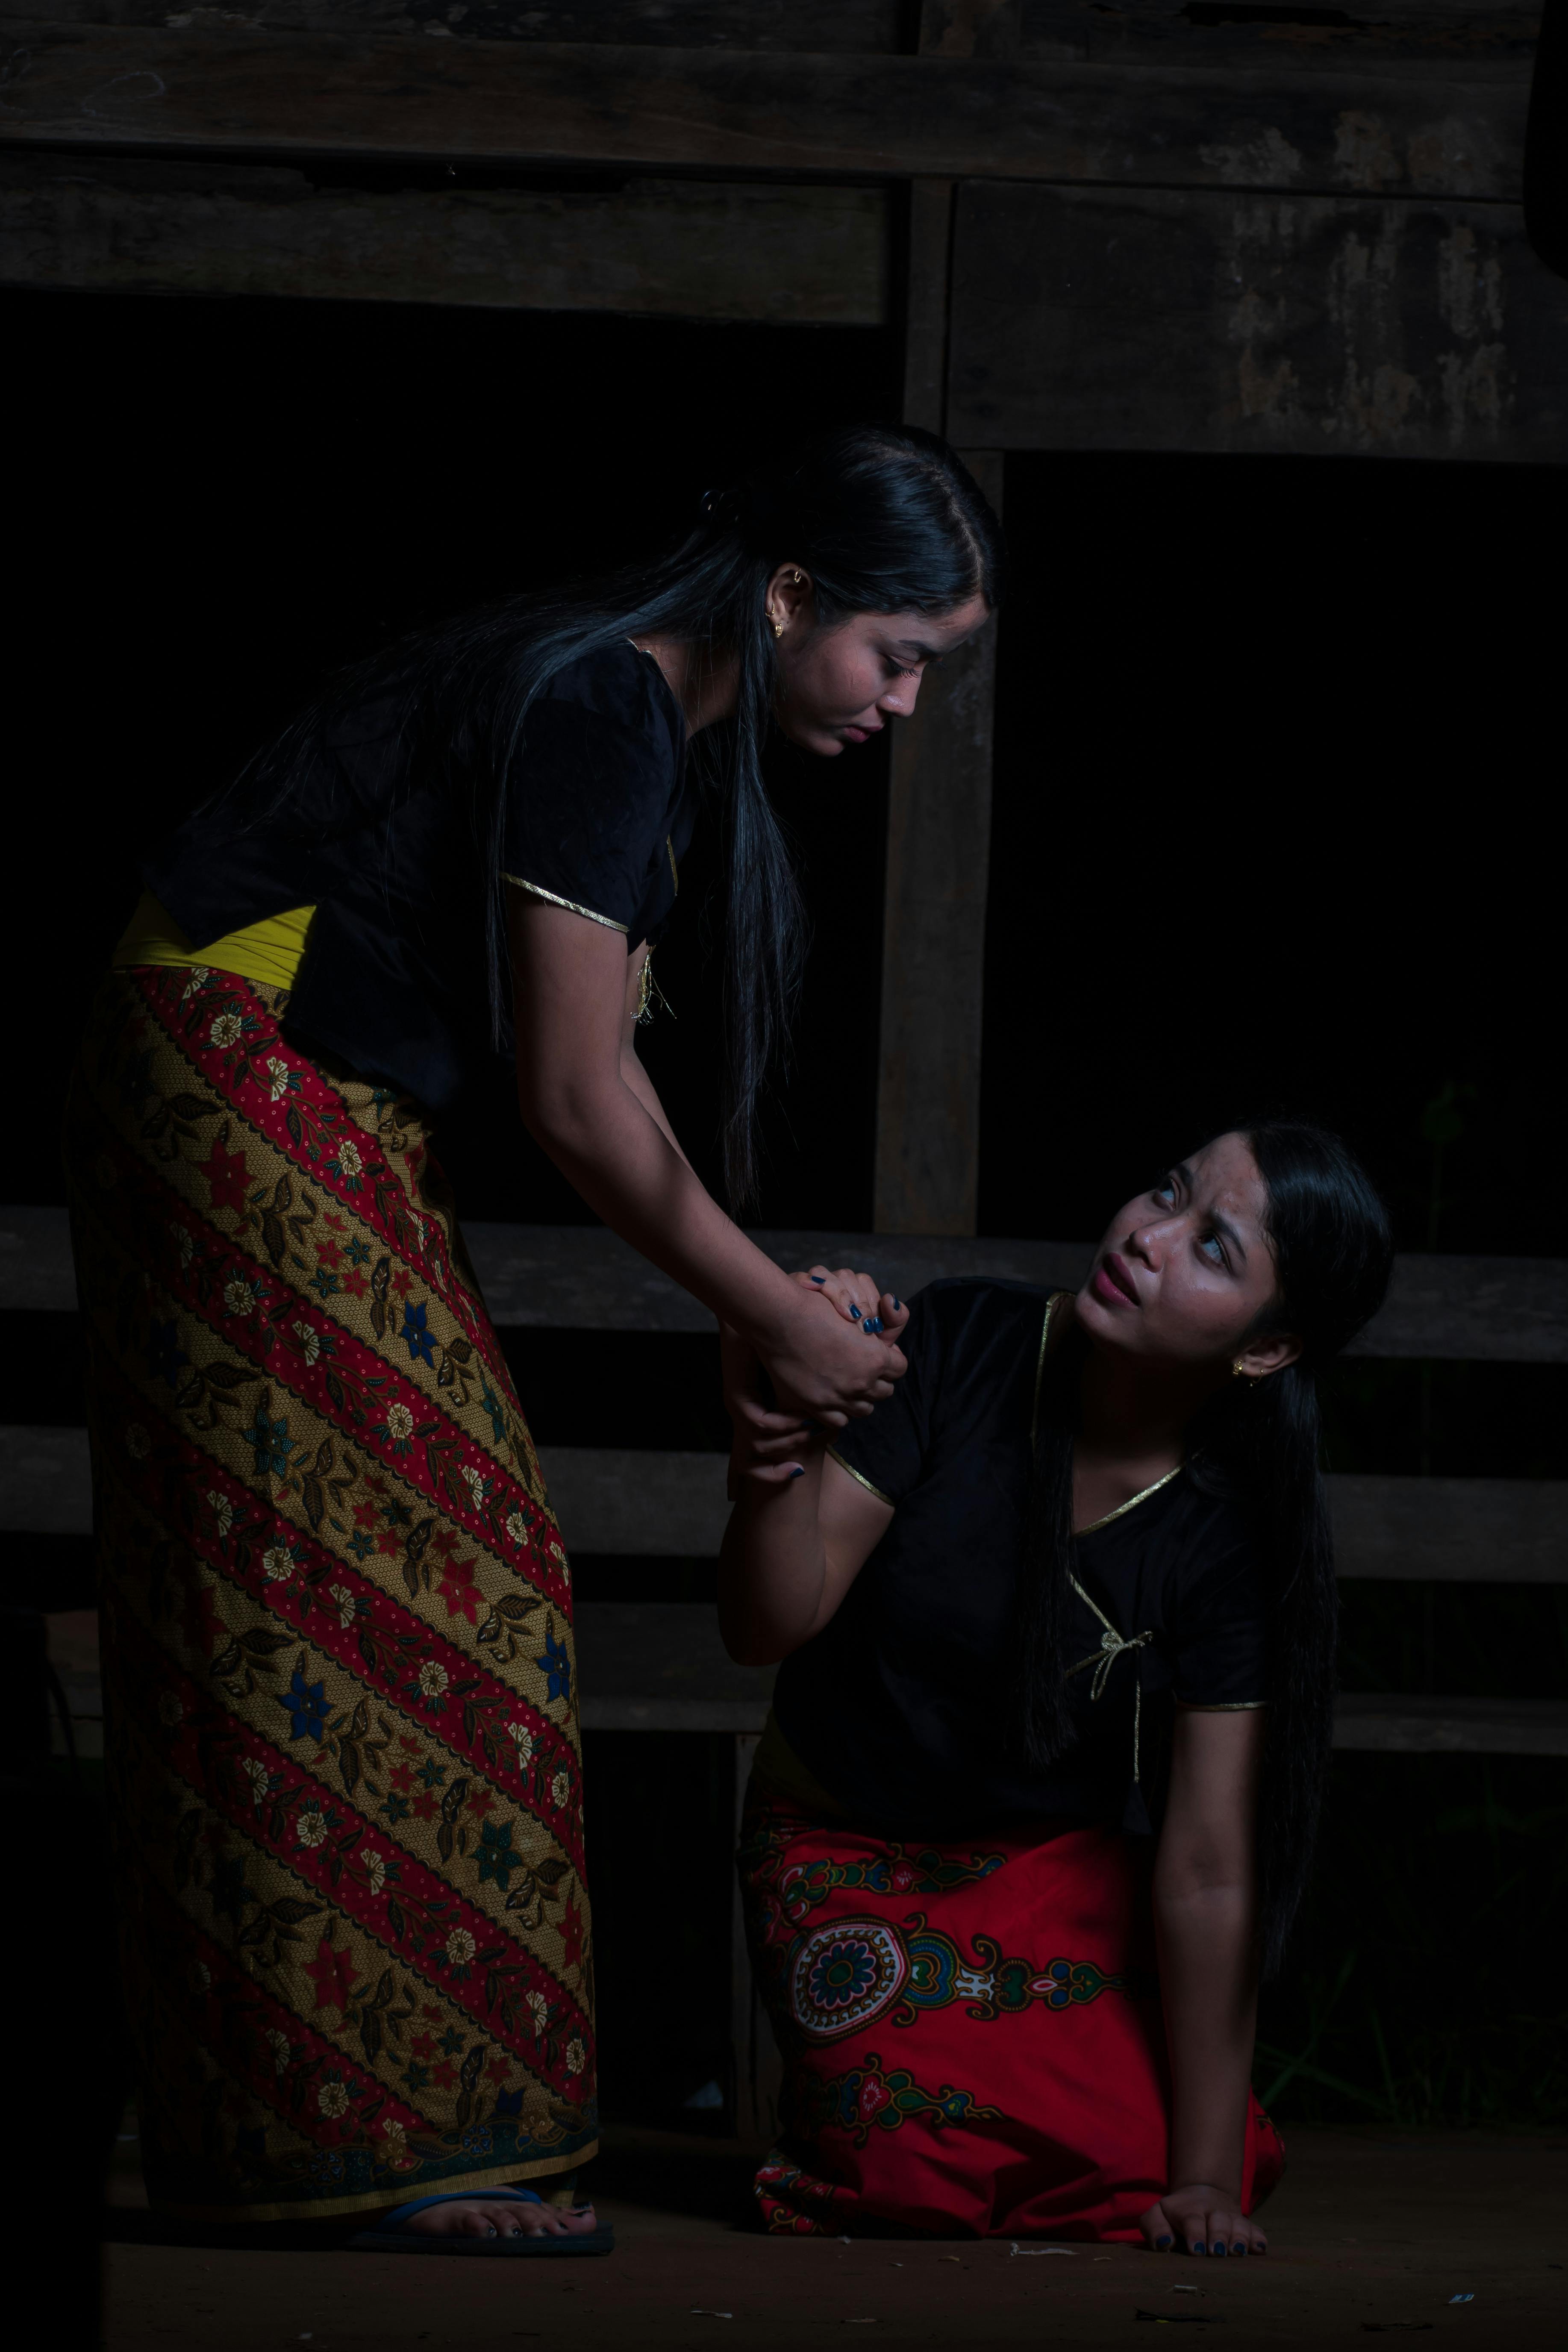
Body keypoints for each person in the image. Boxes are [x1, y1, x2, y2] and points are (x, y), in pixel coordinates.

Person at [64, 425, 1000, 2250]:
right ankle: (384, 2141)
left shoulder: (625, 705)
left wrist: (755, 1307)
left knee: (398, 1558)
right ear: (793, 595)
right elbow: (578, 1099)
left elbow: (609, 1083)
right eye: (899, 653)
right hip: (234, 1067)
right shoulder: (604, 701)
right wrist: (766, 1315)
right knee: (431, 1559)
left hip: (272, 1087)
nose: (902, 699)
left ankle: (324, 2127)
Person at [718, 1122, 1393, 2247]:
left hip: (1045, 1878)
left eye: (1212, 1247)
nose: (1148, 1235)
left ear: (1266, 1352)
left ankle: (1074, 2109)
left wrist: (1205, 2187)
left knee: (1182, 2151)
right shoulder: (965, 1342)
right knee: (908, 2161)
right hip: (841, 1842)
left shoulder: (1225, 1534)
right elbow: (764, 1625)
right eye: (1167, 1191)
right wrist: (778, 1443)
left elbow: (1212, 1867)